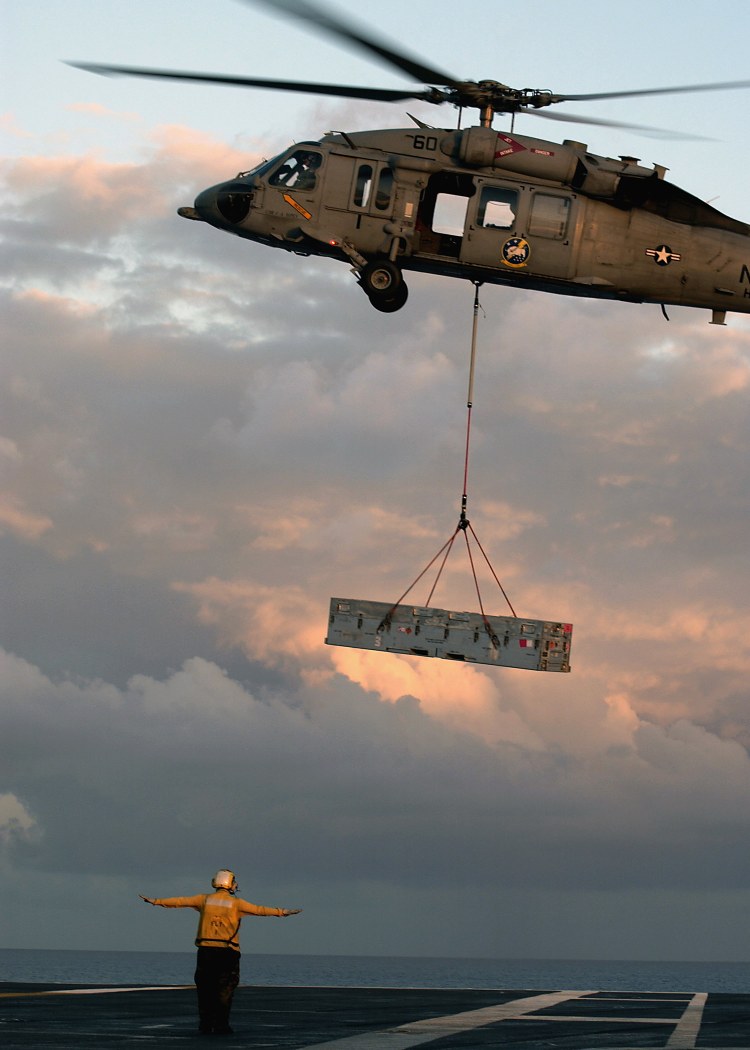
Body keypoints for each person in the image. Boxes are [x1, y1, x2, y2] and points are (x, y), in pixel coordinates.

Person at [140, 869, 301, 1035]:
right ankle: (221, 1025)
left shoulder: (204, 899)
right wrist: (282, 912)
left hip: (205, 952)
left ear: (215, 883)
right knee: (225, 990)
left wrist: (156, 901)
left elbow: (180, 901)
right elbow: (260, 910)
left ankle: (205, 1025)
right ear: (231, 884)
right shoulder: (236, 903)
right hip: (227, 952)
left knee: (204, 989)